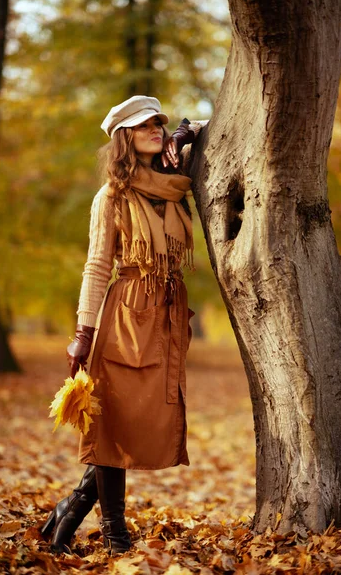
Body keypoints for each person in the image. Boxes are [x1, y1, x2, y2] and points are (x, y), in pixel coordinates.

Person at [41, 96, 201, 556]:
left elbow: (212, 124)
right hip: (127, 315)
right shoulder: (110, 195)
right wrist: (82, 334)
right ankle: (115, 532)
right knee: (113, 423)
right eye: (144, 124)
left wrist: (183, 134)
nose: (155, 127)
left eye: (159, 122)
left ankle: (69, 510)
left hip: (167, 317)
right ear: (124, 137)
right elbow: (97, 267)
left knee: (138, 422)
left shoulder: (175, 182)